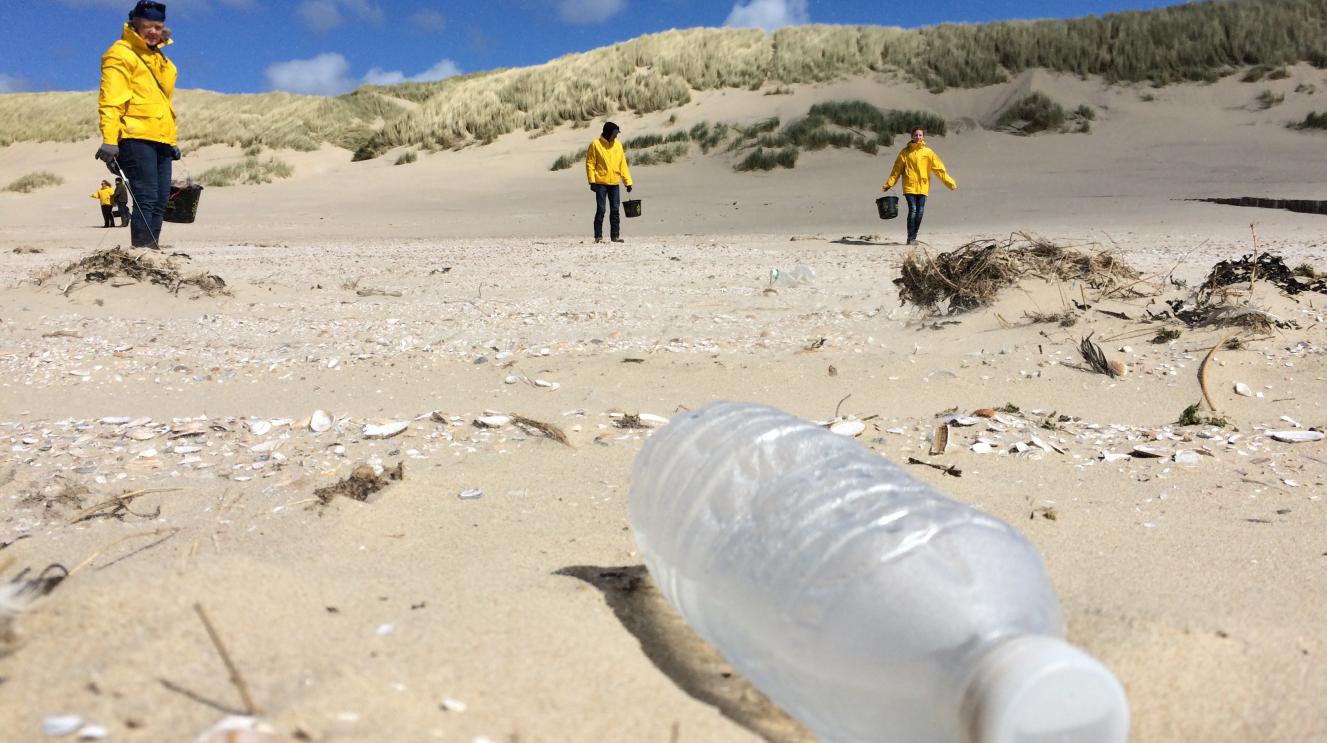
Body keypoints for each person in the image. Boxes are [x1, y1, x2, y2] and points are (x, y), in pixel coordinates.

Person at [94, 1, 180, 249]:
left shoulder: (159, 58)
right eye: (147, 26)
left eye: (158, 26)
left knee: (162, 200)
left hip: (160, 138)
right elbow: (110, 101)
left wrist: (171, 142)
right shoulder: (120, 54)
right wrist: (110, 140)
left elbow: (161, 102)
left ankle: (152, 250)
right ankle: (142, 251)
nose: (153, 31)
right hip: (134, 137)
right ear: (135, 24)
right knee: (146, 198)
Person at [883, 128, 956, 245]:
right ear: (912, 136)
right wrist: (889, 184)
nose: (918, 137)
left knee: (920, 211)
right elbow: (896, 170)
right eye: (915, 135)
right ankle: (911, 238)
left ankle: (913, 237)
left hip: (923, 186)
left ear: (923, 137)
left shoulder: (928, 152)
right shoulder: (905, 152)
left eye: (920, 135)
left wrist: (949, 182)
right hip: (909, 186)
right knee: (913, 210)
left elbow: (939, 169)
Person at [585, 121, 633, 244]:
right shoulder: (595, 144)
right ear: (608, 133)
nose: (616, 136)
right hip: (600, 183)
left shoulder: (618, 145)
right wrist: (592, 181)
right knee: (601, 209)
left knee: (615, 209)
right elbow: (590, 164)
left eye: (617, 133)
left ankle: (615, 236)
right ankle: (598, 236)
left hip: (614, 183)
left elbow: (623, 165)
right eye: (614, 133)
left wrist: (628, 182)